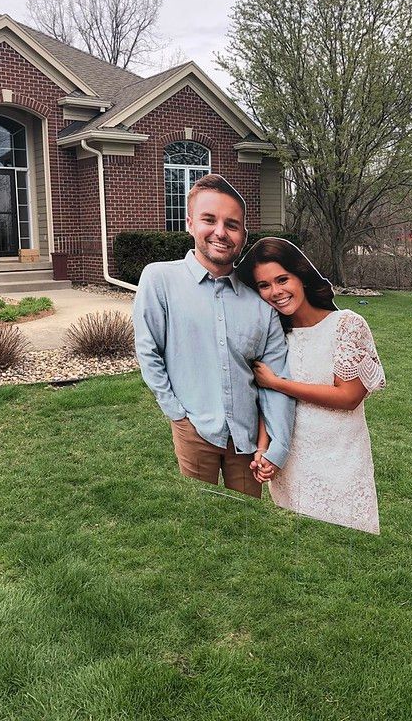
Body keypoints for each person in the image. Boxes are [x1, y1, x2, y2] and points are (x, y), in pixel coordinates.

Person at [132, 176, 295, 498]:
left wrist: (277, 443)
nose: (221, 232)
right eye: (209, 220)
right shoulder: (160, 279)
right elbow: (148, 351)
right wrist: (177, 414)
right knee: (197, 529)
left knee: (244, 532)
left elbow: (277, 379)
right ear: (190, 223)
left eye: (232, 224)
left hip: (247, 441)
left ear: (244, 236)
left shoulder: (259, 300)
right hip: (193, 428)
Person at [236, 237, 385, 533]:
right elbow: (267, 401)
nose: (276, 292)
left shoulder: (346, 325)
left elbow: (349, 396)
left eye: (282, 279)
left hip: (342, 460)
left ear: (301, 276)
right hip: (292, 463)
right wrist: (264, 450)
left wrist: (280, 383)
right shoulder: (274, 337)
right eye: (264, 286)